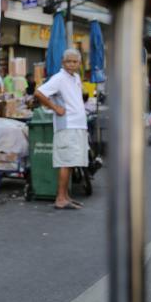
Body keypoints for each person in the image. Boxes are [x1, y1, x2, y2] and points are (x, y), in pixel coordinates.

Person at [34, 49, 89, 210]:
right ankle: (60, 198)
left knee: (72, 162)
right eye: (68, 61)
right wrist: (55, 107)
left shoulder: (76, 78)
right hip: (67, 125)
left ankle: (65, 196)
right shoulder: (58, 78)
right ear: (62, 63)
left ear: (79, 63)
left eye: (75, 61)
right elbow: (39, 93)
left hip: (78, 124)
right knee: (66, 162)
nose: (71, 64)